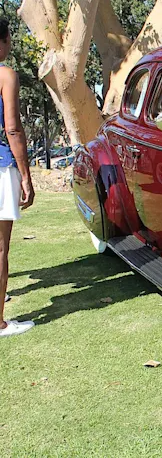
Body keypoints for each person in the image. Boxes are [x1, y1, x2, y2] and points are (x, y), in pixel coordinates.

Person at [0, 17, 35, 337]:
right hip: (0, 165)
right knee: (0, 247)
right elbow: (12, 128)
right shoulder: (6, 75)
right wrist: (26, 175)